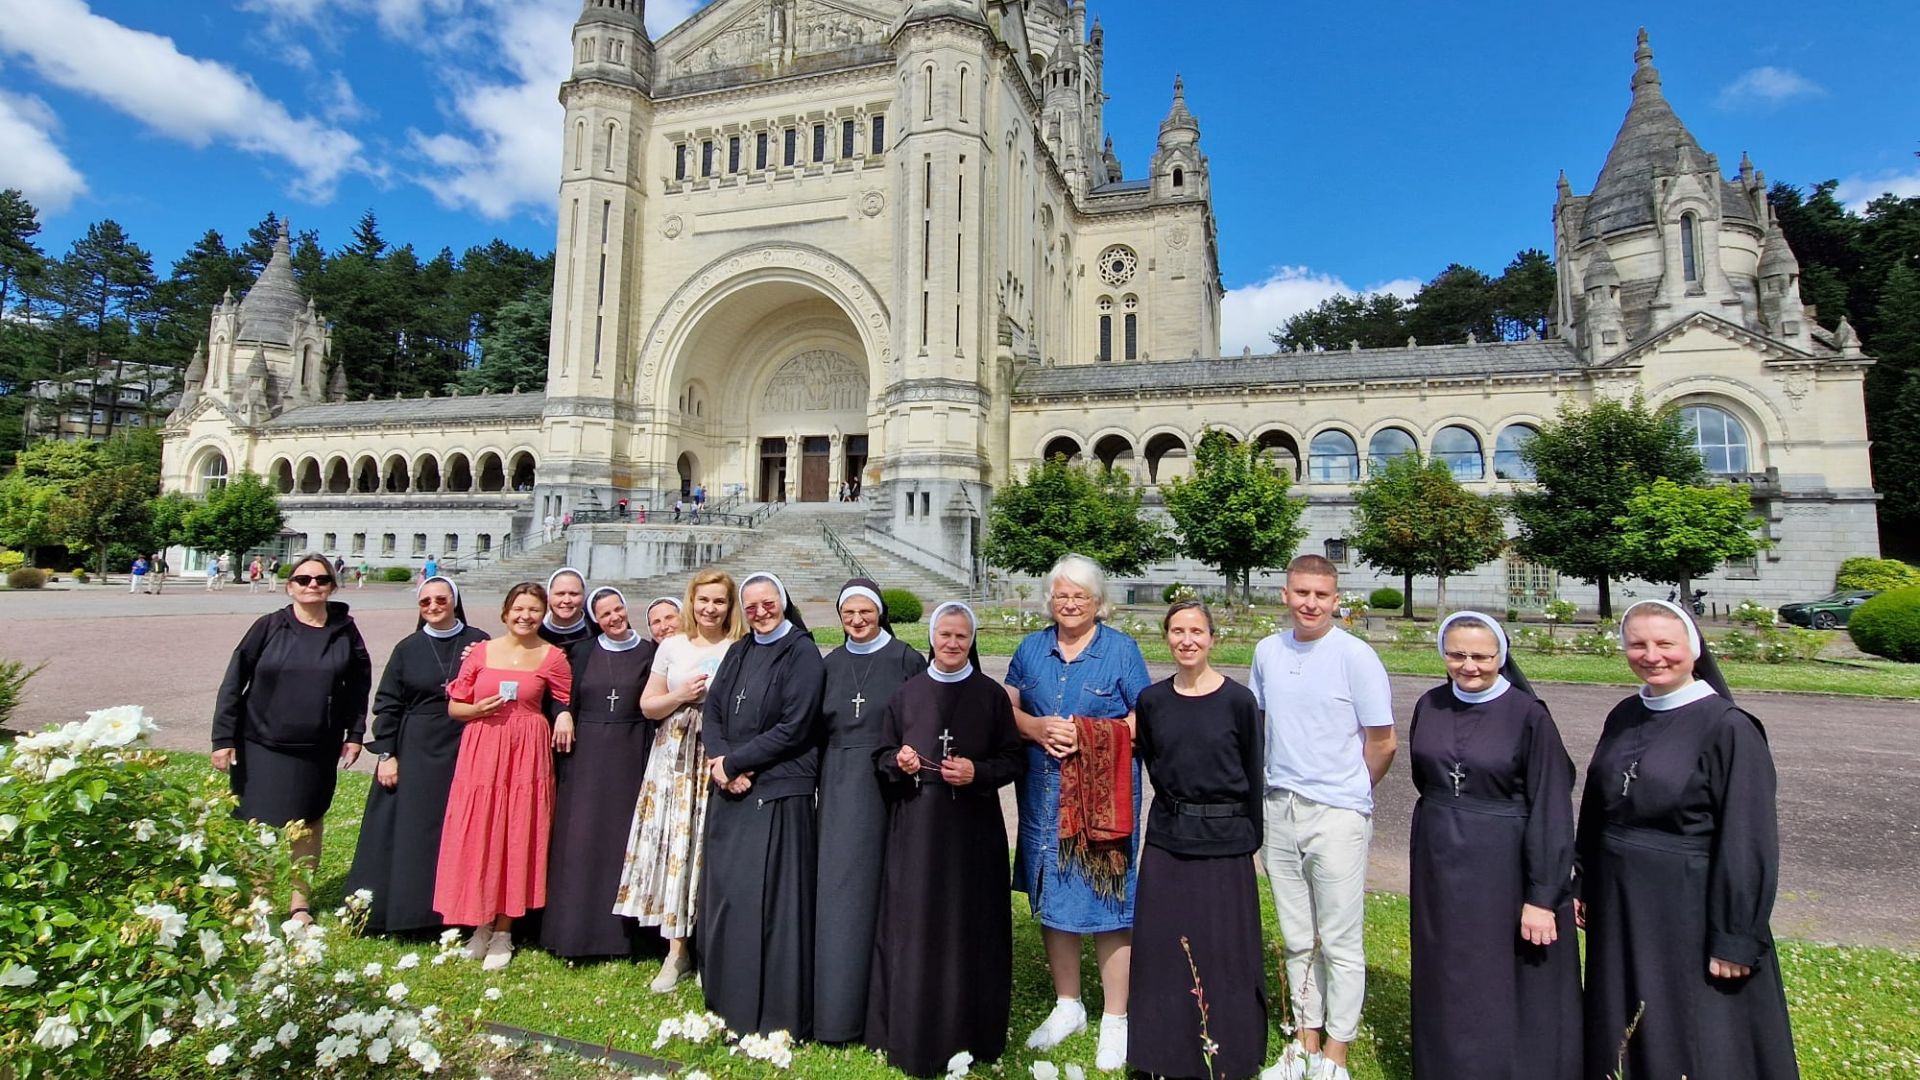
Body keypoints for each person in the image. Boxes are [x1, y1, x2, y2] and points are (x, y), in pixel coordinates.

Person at [1576, 600, 1799, 1080]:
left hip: (1687, 905)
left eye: (1665, 643)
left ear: (1693, 649)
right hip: (1619, 900)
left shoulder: (1729, 727)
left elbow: (1748, 838)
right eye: (1637, 644)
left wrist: (1736, 936)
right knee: (1622, 1012)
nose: (1651, 655)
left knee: (1691, 1026)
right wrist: (1584, 881)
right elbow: (1597, 807)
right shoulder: (1624, 714)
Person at [1408, 612, 1580, 1080]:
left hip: (1504, 860)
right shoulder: (1429, 704)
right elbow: (1427, 778)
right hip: (1439, 855)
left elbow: (1551, 805)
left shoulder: (1529, 716)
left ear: (1501, 657)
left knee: (1500, 970)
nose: (1469, 666)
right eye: (1457, 654)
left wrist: (1542, 896)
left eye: (1482, 656)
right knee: (1446, 964)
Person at [1250, 554, 1395, 1080]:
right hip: (1280, 807)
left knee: (1339, 940)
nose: (1310, 604)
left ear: (1336, 600)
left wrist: (1350, 790)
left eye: (1321, 595)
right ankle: (1304, 1042)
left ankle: (1336, 1053)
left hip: (1337, 813)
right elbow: (1262, 725)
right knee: (1295, 935)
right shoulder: (1268, 651)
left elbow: (1382, 742)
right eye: (1301, 593)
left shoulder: (1355, 656)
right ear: (1285, 595)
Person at [1005, 553, 1152, 1069]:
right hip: (1043, 798)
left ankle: (1116, 1017)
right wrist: (1036, 727)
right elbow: (1008, 707)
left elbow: (1144, 716)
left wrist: (1090, 735)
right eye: (1062, 596)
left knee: (1109, 902)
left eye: (1080, 596)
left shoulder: (1121, 650)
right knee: (1053, 896)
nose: (1070, 604)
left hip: (1101, 804)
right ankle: (1068, 1004)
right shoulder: (1031, 649)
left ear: (1097, 602)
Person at [866, 602, 1024, 1076]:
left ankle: (972, 1030)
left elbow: (1013, 760)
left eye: (961, 636)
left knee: (970, 924)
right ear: (932, 638)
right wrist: (900, 763)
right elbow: (881, 756)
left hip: (974, 832)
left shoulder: (991, 696)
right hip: (918, 827)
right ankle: (912, 1028)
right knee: (916, 924)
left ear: (971, 641)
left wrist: (979, 772)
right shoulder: (907, 694)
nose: (952, 643)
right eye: (945, 635)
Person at [1127, 600, 1267, 1080]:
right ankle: (1160, 1054)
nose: (1187, 640)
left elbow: (1253, 773)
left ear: (1211, 638)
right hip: (1169, 840)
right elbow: (1152, 760)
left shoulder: (1239, 702)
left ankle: (1230, 1053)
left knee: (1223, 952)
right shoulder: (1151, 701)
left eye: (1196, 631)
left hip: (1225, 842)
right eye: (1178, 631)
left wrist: (1248, 839)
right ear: (1167, 636)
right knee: (1162, 951)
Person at [211, 553, 372, 923]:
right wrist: (222, 738)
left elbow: (357, 687)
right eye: (303, 579)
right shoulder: (268, 626)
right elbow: (234, 680)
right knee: (257, 824)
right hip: (260, 742)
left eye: (321, 579)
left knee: (308, 823)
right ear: (290, 587)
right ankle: (259, 899)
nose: (312, 585)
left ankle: (300, 904)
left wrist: (355, 734)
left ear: (332, 586)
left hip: (317, 746)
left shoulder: (346, 631)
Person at [698, 572, 825, 1037]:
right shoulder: (739, 650)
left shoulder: (802, 653)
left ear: (783, 602)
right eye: (750, 606)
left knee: (772, 902)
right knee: (731, 894)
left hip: (779, 791)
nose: (760, 612)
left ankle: (774, 1009)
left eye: (767, 603)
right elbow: (713, 709)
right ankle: (727, 995)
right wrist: (720, 761)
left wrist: (735, 762)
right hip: (731, 784)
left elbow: (795, 725)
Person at [613, 570, 743, 990]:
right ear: (691, 601)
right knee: (678, 845)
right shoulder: (672, 645)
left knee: (713, 847)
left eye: (719, 601)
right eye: (703, 600)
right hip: (675, 755)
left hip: (720, 755)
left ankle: (713, 948)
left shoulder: (740, 646)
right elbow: (648, 705)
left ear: (730, 605)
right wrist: (679, 696)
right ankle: (677, 952)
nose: (710, 608)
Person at [435, 581, 573, 970]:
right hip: (483, 747)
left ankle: (503, 930)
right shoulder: (481, 651)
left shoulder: (552, 657)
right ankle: (479, 922)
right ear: (505, 612)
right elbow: (455, 706)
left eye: (534, 610)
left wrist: (564, 715)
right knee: (480, 830)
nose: (525, 616)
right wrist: (476, 710)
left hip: (526, 751)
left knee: (516, 832)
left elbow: (563, 700)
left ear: (543, 615)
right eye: (519, 609)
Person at [814, 578, 929, 1043]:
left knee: (888, 887)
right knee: (841, 893)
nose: (857, 620)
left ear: (880, 612)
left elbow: (922, 719)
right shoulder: (829, 664)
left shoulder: (905, 660)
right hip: (838, 784)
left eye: (865, 612)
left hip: (890, 785)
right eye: (849, 614)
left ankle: (885, 1006)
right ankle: (837, 1009)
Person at [345, 576, 488, 935]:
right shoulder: (407, 648)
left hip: (467, 744)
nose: (433, 606)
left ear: (455, 601)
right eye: (425, 602)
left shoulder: (479, 641)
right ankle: (410, 913)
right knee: (415, 830)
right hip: (417, 748)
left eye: (441, 599)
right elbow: (387, 704)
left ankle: (459, 914)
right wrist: (387, 754)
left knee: (461, 830)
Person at [541, 588, 659, 960]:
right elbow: (558, 691)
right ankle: (574, 931)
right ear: (596, 620)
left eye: (618, 608)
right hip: (585, 756)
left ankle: (622, 938)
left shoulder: (650, 653)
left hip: (630, 751)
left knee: (622, 839)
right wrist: (562, 712)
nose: (614, 617)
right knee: (580, 838)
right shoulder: (581, 652)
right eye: (605, 613)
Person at [540, 567, 598, 646]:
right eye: (560, 594)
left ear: (584, 596)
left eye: (573, 594)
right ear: (549, 596)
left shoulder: (597, 632)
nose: (567, 600)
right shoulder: (536, 631)